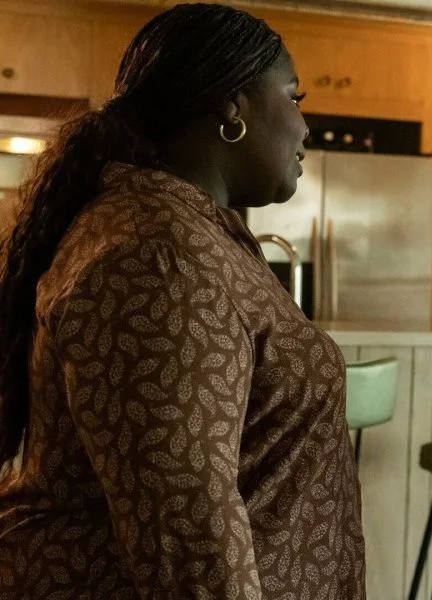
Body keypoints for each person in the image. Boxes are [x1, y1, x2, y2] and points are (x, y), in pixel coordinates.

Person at [0, 4, 365, 598]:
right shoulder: (157, 255)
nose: (306, 128)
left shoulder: (186, 232)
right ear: (232, 106)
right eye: (294, 97)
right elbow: (190, 534)